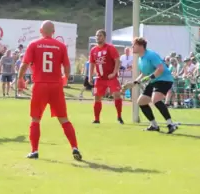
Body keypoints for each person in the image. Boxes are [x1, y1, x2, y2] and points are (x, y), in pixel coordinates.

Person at [18, 21, 81, 161]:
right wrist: (65, 77)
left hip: (40, 85)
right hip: (56, 86)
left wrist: (20, 78)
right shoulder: (61, 46)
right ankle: (74, 147)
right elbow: (66, 65)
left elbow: (25, 64)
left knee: (35, 118)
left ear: (41, 30)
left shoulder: (34, 44)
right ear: (54, 31)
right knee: (64, 119)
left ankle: (34, 151)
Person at [132, 37, 177, 133]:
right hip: (154, 81)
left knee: (155, 99)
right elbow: (144, 73)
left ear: (140, 46)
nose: (132, 47)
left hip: (164, 79)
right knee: (141, 102)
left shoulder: (151, 55)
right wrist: (136, 81)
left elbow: (160, 68)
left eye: (134, 45)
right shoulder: (140, 59)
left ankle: (170, 124)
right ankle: (154, 125)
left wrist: (150, 78)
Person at [89, 30, 123, 124]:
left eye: (100, 35)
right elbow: (92, 63)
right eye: (97, 36)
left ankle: (119, 117)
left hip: (111, 77)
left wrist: (114, 73)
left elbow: (117, 60)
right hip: (100, 78)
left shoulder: (110, 48)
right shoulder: (93, 50)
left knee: (116, 94)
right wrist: (90, 76)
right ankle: (97, 119)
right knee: (97, 97)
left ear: (104, 37)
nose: (98, 37)